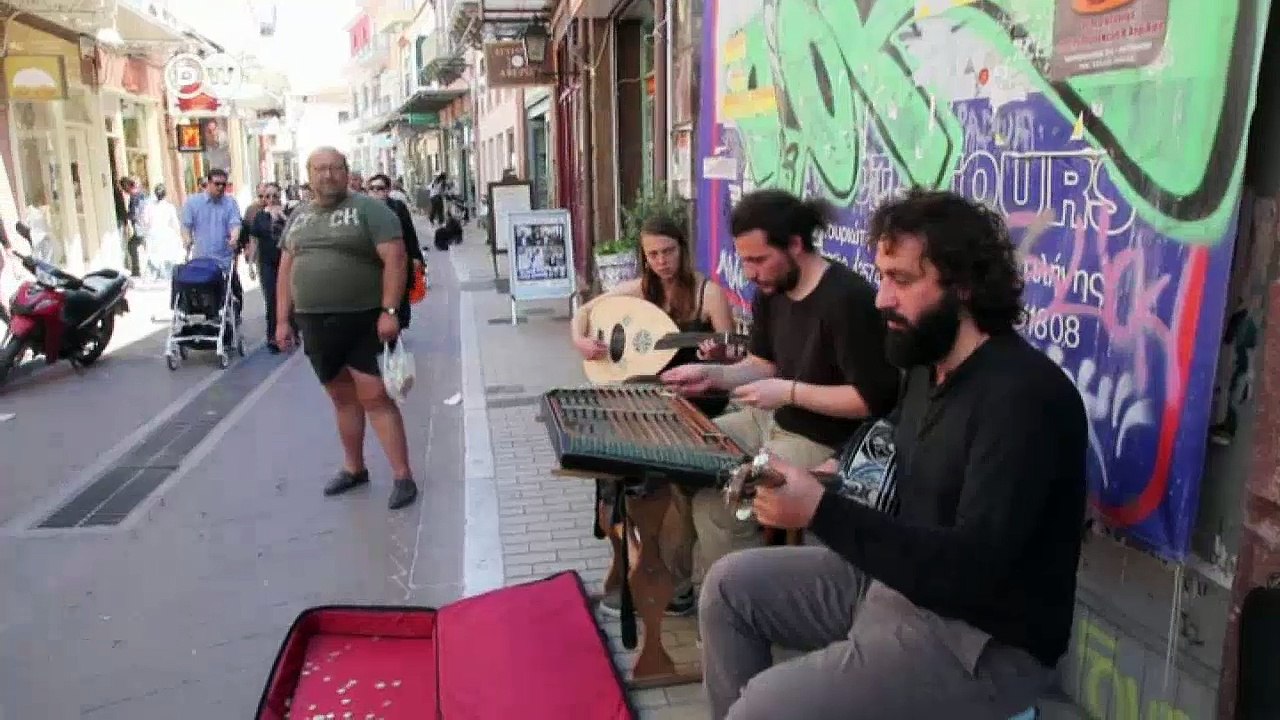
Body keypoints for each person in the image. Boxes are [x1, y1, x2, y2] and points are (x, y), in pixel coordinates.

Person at [698, 188, 1089, 720]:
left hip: (983, 640)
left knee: (761, 710)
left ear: (964, 287)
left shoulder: (1024, 398)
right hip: (899, 583)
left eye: (901, 280)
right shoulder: (927, 369)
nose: (881, 298)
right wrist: (822, 480)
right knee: (728, 587)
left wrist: (820, 510)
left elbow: (973, 571)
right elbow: (897, 478)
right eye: (882, 276)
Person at [659, 189, 900, 602]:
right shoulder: (771, 289)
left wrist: (787, 391)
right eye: (744, 260)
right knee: (681, 455)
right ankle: (684, 586)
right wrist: (712, 374)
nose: (751, 272)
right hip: (770, 418)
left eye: (758, 259)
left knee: (716, 505)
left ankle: (744, 607)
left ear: (795, 244)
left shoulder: (847, 300)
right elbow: (763, 365)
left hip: (825, 439)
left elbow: (870, 400)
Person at [570, 214, 738, 616]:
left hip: (696, 403)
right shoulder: (639, 292)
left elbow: (734, 356)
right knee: (613, 469)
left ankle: (668, 577)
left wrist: (719, 355)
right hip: (648, 400)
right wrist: (580, 339)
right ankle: (637, 561)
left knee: (672, 484)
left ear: (683, 248)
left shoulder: (707, 294)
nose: (662, 261)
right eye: (653, 255)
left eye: (668, 252)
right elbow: (585, 309)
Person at [275, 147, 418, 511]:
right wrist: (281, 320)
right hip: (316, 323)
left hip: (363, 319)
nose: (328, 176)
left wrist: (390, 311)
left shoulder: (371, 210)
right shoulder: (299, 217)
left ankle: (403, 476)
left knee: (375, 397)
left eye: (335, 168)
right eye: (320, 169)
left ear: (346, 171)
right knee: (341, 397)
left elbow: (396, 259)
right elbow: (285, 269)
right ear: (308, 174)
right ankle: (355, 468)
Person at [181, 168, 243, 322]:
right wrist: (187, 240)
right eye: (217, 184)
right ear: (208, 183)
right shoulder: (193, 202)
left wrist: (234, 238)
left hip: (223, 261)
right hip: (201, 260)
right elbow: (186, 226)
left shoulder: (230, 203)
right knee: (201, 297)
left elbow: (235, 223)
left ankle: (232, 324)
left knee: (232, 294)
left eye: (224, 184)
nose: (221, 187)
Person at [245, 182, 298, 353]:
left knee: (289, 298)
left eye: (275, 195)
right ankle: (272, 336)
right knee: (271, 299)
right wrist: (251, 264)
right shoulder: (260, 216)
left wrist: (282, 217)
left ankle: (292, 332)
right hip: (267, 262)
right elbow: (254, 240)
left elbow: (296, 232)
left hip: (287, 261)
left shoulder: (288, 213)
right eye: (267, 196)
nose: (271, 199)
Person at [367, 173, 425, 329]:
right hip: (374, 263)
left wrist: (416, 256)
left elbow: (409, 233)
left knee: (400, 293)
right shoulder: (364, 210)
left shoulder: (398, 207)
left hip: (399, 260)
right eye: (371, 188)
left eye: (380, 188)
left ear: (387, 190)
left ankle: (397, 325)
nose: (375, 192)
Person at [143, 184, 185, 281]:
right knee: (166, 255)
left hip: (153, 233)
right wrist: (179, 236)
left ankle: (155, 274)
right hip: (166, 233)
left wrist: (147, 232)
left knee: (155, 255)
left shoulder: (149, 207)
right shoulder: (169, 207)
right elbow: (175, 223)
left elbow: (145, 221)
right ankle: (166, 275)